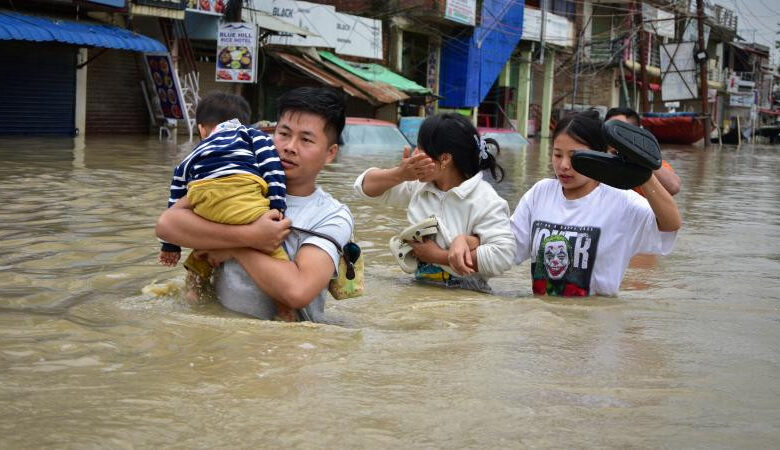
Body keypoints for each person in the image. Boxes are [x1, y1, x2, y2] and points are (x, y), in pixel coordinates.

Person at [156, 87, 354, 322]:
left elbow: (297, 291)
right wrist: (249, 235)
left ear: (330, 153)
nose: (290, 146)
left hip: (283, 345)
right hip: (219, 337)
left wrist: (237, 247)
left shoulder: (331, 216)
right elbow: (167, 224)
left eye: (306, 139)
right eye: (284, 134)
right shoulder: (238, 180)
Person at [510, 110, 681, 297]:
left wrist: (643, 174)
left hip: (595, 322)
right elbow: (507, 247)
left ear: (599, 155)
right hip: (544, 319)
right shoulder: (540, 193)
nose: (564, 165)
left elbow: (670, 224)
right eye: (558, 155)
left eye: (575, 156)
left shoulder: (621, 201)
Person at [156, 91, 295, 319]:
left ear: (202, 129)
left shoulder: (194, 153)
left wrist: (170, 247)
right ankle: (284, 310)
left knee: (202, 244)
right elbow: (271, 166)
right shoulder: (251, 134)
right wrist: (277, 204)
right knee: (275, 253)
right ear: (244, 121)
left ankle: (193, 291)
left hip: (204, 199)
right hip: (241, 194)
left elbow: (176, 194)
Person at [353, 113, 516, 292]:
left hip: (467, 296)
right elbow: (363, 187)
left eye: (420, 149)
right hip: (420, 289)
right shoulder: (419, 186)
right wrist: (400, 173)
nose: (414, 155)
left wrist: (439, 256)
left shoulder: (485, 199)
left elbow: (504, 254)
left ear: (445, 159)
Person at [604, 107, 681, 196]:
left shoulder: (650, 162)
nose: (614, 135)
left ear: (635, 133)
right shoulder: (599, 158)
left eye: (620, 130)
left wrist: (637, 156)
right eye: (610, 129)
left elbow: (674, 187)